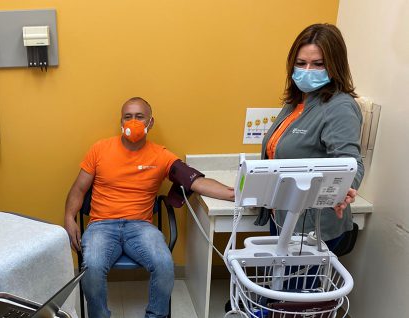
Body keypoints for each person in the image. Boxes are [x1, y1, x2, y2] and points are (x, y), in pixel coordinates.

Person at [64, 97, 234, 318]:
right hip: (102, 226)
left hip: (140, 227)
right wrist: (69, 218)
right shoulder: (100, 149)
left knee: (164, 264)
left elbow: (196, 181)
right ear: (121, 122)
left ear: (150, 122)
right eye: (128, 117)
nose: (133, 121)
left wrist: (233, 194)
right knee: (92, 268)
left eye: (139, 116)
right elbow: (78, 189)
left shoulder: (161, 155)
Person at [258, 23, 365, 252]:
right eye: (301, 63)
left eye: (318, 64)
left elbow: (351, 162)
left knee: (296, 287)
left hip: (312, 227)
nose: (307, 70)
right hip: (283, 215)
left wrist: (344, 191)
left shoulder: (339, 107)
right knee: (281, 284)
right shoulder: (296, 102)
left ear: (334, 66)